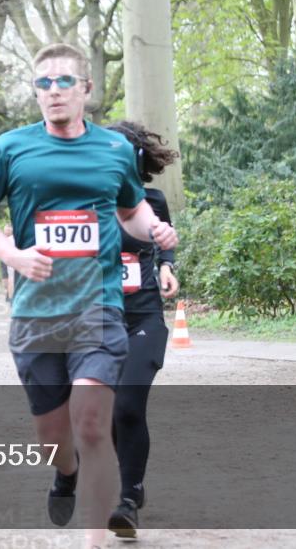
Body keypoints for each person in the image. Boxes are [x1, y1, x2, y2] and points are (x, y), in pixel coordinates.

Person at [0, 43, 177, 547]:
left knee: (92, 425)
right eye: (43, 83)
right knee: (55, 441)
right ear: (35, 93)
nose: (53, 91)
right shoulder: (10, 148)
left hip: (98, 307)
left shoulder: (114, 150)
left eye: (64, 82)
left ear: (86, 89)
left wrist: (157, 232)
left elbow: (131, 212)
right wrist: (13, 256)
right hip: (36, 313)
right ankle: (64, 474)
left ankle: (93, 541)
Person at [105, 120, 180, 537]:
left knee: (128, 406)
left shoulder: (152, 200)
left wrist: (168, 267)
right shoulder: (87, 203)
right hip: (95, 320)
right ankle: (117, 483)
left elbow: (164, 246)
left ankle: (129, 499)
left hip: (143, 316)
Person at [1, 223, 15, 303]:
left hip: (12, 261)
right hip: (3, 261)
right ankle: (8, 292)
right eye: (6, 230)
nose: (7, 231)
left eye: (9, 230)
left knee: (11, 279)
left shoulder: (14, 239)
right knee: (5, 282)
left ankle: (10, 298)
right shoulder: (2, 239)